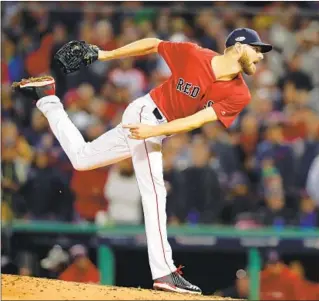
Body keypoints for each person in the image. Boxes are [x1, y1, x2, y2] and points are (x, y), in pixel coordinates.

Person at [12, 27, 272, 294]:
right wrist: (104, 54)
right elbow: (153, 45)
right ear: (239, 46)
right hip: (145, 113)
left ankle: (46, 99)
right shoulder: (194, 54)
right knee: (155, 192)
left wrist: (155, 132)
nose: (260, 57)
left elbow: (198, 120)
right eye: (257, 49)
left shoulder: (240, 92)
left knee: (83, 158)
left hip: (154, 127)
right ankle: (164, 272)